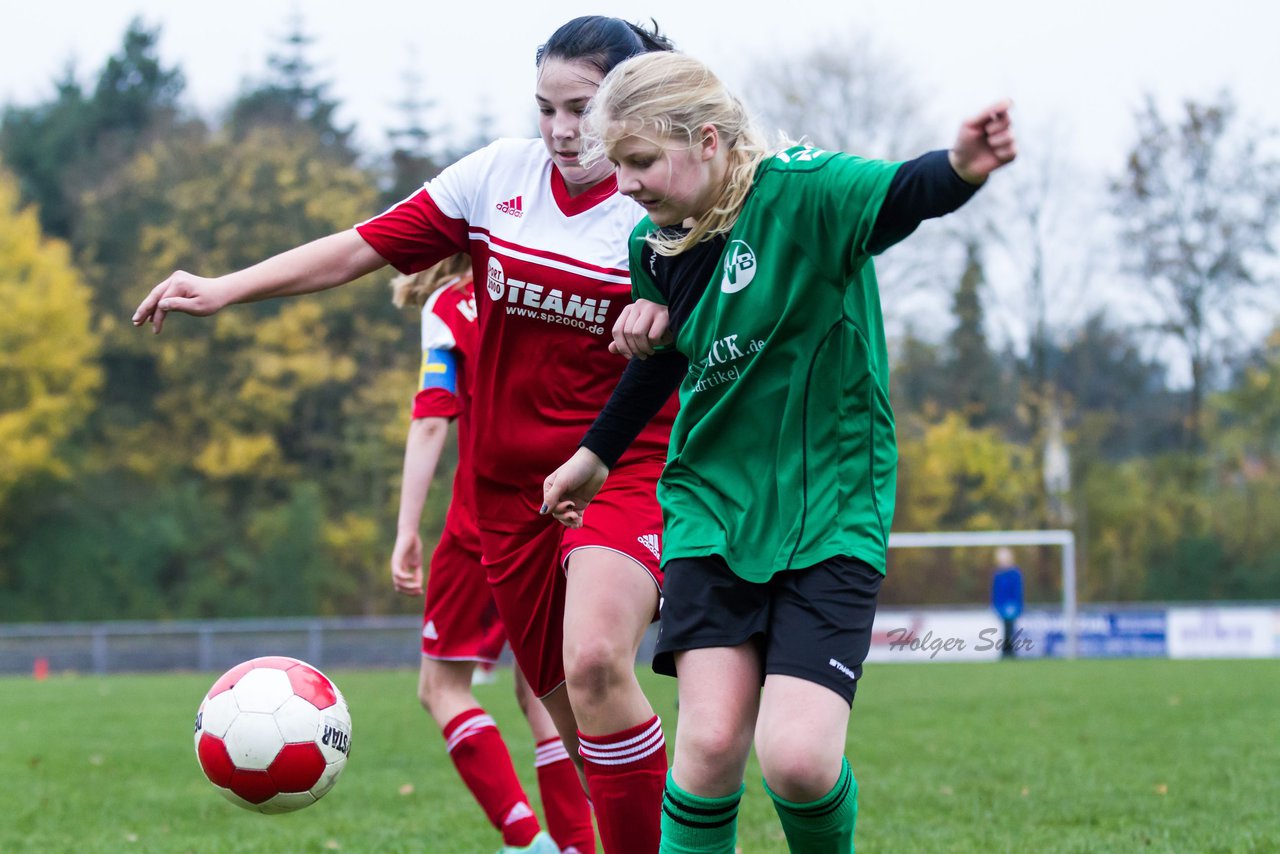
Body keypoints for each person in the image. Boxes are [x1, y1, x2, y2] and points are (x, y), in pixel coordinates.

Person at [132, 17, 679, 854]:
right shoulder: (497, 177)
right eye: (547, 108)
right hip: (508, 497)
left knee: (600, 660)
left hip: (621, 470)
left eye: (584, 109)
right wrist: (223, 289)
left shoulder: (667, 202)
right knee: (576, 722)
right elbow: (361, 248)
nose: (564, 131)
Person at [541, 52, 1017, 852]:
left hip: (829, 511)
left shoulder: (802, 191)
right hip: (712, 511)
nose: (624, 185)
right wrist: (594, 456)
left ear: (709, 139)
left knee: (796, 760)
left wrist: (961, 167)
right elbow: (665, 358)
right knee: (709, 746)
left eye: (641, 161)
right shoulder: (655, 244)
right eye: (616, 165)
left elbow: (901, 195)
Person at [389, 255, 592, 854]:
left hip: (483, 525)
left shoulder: (449, 307)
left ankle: (527, 842)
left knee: (442, 687)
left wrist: (406, 527)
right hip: (571, 511)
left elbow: (432, 420)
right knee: (547, 692)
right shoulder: (552, 287)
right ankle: (579, 844)